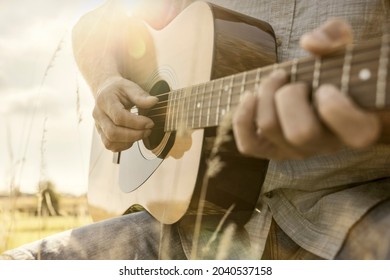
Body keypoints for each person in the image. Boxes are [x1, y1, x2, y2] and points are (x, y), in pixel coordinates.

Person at [2, 0, 390, 260]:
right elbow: (100, 22)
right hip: (185, 225)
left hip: (355, 213)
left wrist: (377, 122)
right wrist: (105, 81)